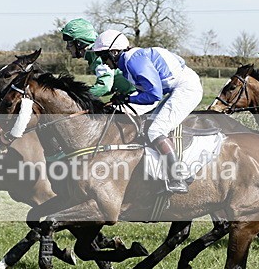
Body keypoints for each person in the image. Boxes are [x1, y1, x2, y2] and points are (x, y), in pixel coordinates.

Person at [90, 29, 203, 194]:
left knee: (156, 130)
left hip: (186, 88)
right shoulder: (129, 60)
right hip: (175, 88)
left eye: (103, 56)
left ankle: (178, 178)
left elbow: (154, 95)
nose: (103, 62)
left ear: (114, 52)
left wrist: (128, 99)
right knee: (148, 126)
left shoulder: (133, 61)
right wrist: (125, 97)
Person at [60, 19, 157, 115]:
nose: (67, 47)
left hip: (139, 96)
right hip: (130, 94)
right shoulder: (94, 54)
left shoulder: (98, 56)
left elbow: (104, 86)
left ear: (79, 43)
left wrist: (78, 97)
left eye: (69, 43)